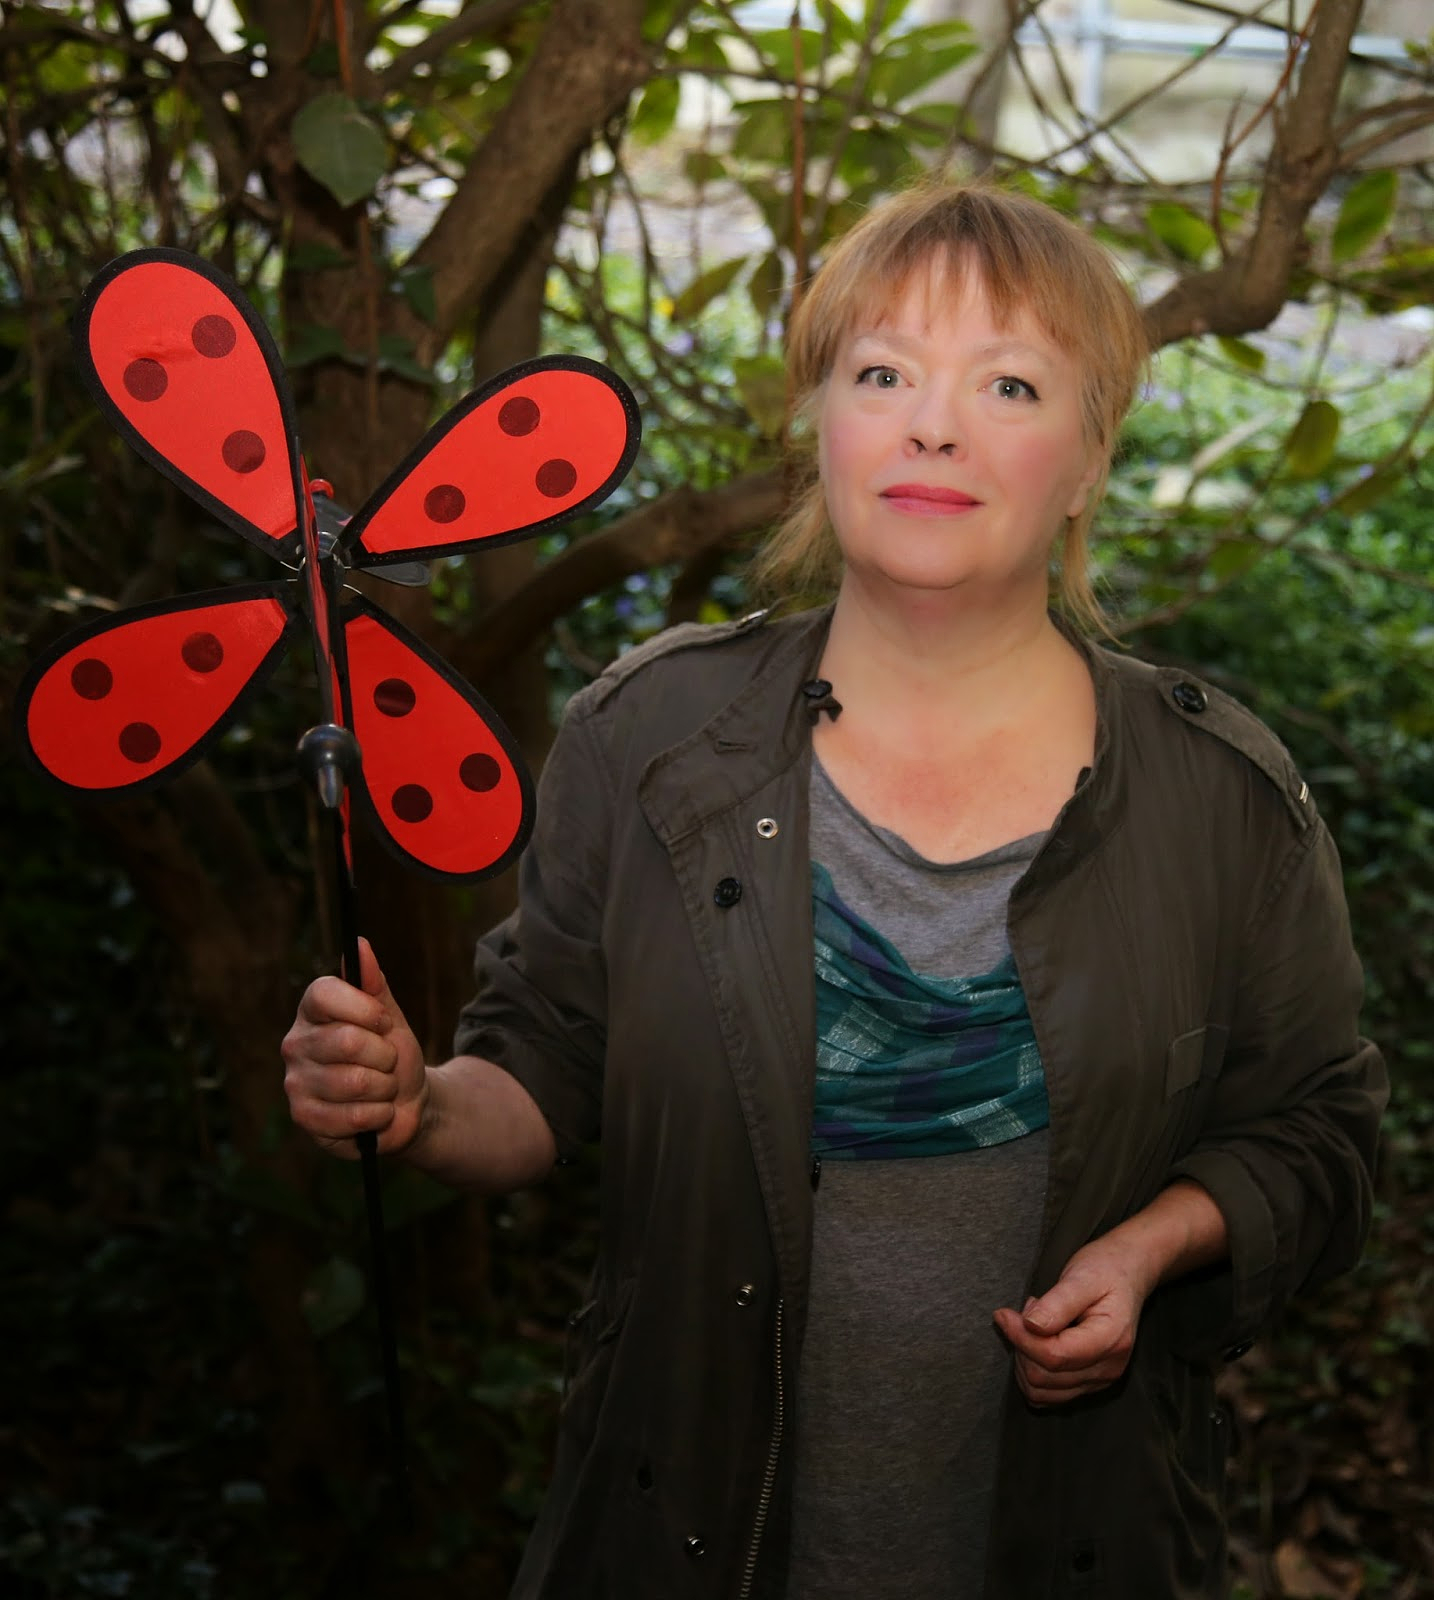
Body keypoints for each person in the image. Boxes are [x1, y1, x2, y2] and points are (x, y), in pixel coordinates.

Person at [282, 181, 1387, 1599]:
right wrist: (419, 1105)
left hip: (1078, 1541)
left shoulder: (1218, 794)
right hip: (674, 1535)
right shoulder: (650, 740)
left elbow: (1319, 1134)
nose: (932, 425)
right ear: (823, 426)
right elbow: (540, 1065)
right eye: (881, 374)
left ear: (1087, 458)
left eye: (1006, 382)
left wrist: (1154, 1245)